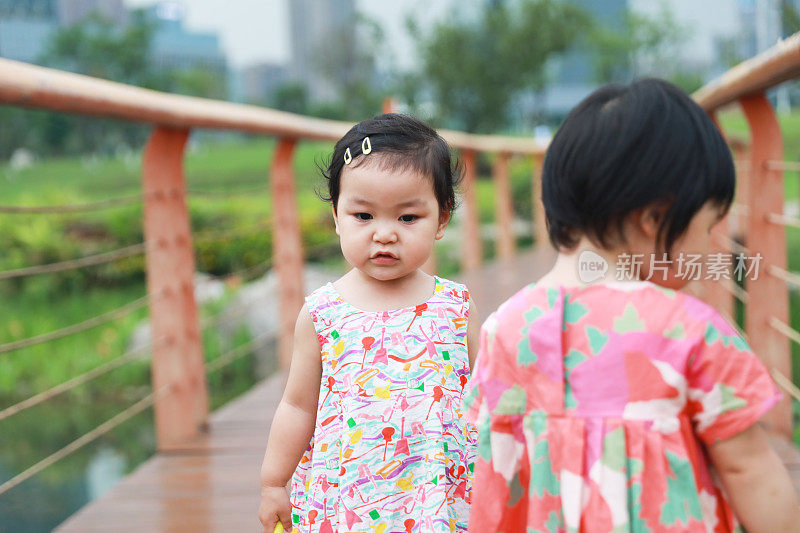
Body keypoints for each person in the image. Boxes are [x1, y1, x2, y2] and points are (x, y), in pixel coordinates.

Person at [464, 79, 800, 532]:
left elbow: (489, 465)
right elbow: (751, 471)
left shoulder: (504, 328)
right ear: (654, 219)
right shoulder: (691, 330)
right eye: (708, 227)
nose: (711, 248)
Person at [258, 113, 478, 533]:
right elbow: (297, 405)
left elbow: (486, 398)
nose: (384, 234)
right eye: (363, 216)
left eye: (407, 218)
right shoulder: (323, 313)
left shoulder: (456, 306)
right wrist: (273, 482)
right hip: (348, 498)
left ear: (442, 219)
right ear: (337, 217)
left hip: (437, 495)